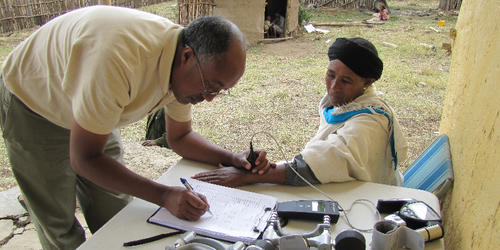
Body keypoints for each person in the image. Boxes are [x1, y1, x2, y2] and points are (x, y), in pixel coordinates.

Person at [0, 6, 272, 249]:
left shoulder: (184, 65)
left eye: (221, 90)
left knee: (115, 212)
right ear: (187, 56)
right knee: (59, 226)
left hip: (91, 97)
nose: (210, 97)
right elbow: (85, 159)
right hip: (35, 102)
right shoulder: (120, 60)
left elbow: (181, 137)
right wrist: (164, 194)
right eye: (211, 85)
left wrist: (231, 158)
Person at [193, 37, 408, 188]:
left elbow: (324, 164)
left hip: (372, 201)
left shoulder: (371, 122)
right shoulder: (347, 103)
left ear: (367, 82)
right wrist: (261, 169)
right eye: (330, 75)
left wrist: (248, 177)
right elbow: (321, 158)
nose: (333, 87)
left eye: (346, 80)